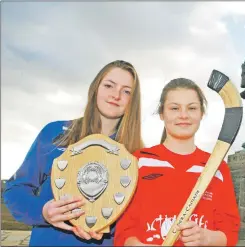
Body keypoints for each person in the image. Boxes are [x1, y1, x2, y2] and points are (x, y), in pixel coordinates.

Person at [3, 60, 144, 246]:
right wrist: (43, 211)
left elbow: (137, 219)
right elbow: (15, 190)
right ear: (95, 88)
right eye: (109, 85)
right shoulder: (56, 133)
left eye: (126, 91)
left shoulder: (136, 156)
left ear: (132, 101)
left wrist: (109, 226)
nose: (116, 95)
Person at [114, 78, 240, 246]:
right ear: (162, 113)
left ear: (201, 113)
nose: (183, 115)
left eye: (192, 108)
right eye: (174, 108)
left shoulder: (217, 168)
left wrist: (207, 238)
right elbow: (124, 230)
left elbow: (229, 233)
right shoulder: (138, 162)